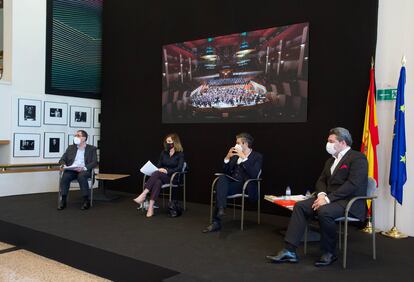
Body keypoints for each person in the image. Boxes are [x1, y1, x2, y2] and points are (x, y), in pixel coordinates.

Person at [266, 127, 368, 267]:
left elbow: (353, 184)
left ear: (343, 142)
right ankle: (289, 251)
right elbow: (321, 181)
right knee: (301, 206)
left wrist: (327, 199)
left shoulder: (358, 158)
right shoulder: (330, 161)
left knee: (324, 211)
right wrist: (321, 195)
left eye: (331, 141)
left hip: (348, 201)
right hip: (328, 199)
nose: (328, 144)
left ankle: (329, 253)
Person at [203, 132, 263, 233]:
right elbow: (226, 172)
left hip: (245, 185)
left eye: (238, 143)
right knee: (222, 178)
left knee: (220, 190)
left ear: (245, 144)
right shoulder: (235, 156)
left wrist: (244, 158)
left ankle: (216, 222)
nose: (236, 145)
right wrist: (227, 157)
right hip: (233, 183)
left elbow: (254, 174)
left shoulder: (257, 156)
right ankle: (221, 209)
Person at [134, 133, 184, 217]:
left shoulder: (180, 154)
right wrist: (158, 169)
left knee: (157, 174)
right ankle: (150, 207)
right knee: (157, 181)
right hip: (161, 176)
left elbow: (179, 168)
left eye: (169, 141)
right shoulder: (163, 153)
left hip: (173, 177)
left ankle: (143, 194)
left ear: (175, 142)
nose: (167, 143)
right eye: (166, 141)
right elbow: (158, 166)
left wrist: (167, 170)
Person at [58, 130, 98, 210]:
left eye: (78, 135)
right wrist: (64, 165)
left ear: (84, 138)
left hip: (84, 170)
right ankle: (63, 200)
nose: (75, 137)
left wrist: (84, 168)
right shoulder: (70, 148)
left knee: (81, 176)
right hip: (72, 170)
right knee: (65, 176)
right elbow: (62, 159)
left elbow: (94, 162)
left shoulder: (92, 149)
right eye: (75, 135)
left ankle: (86, 201)